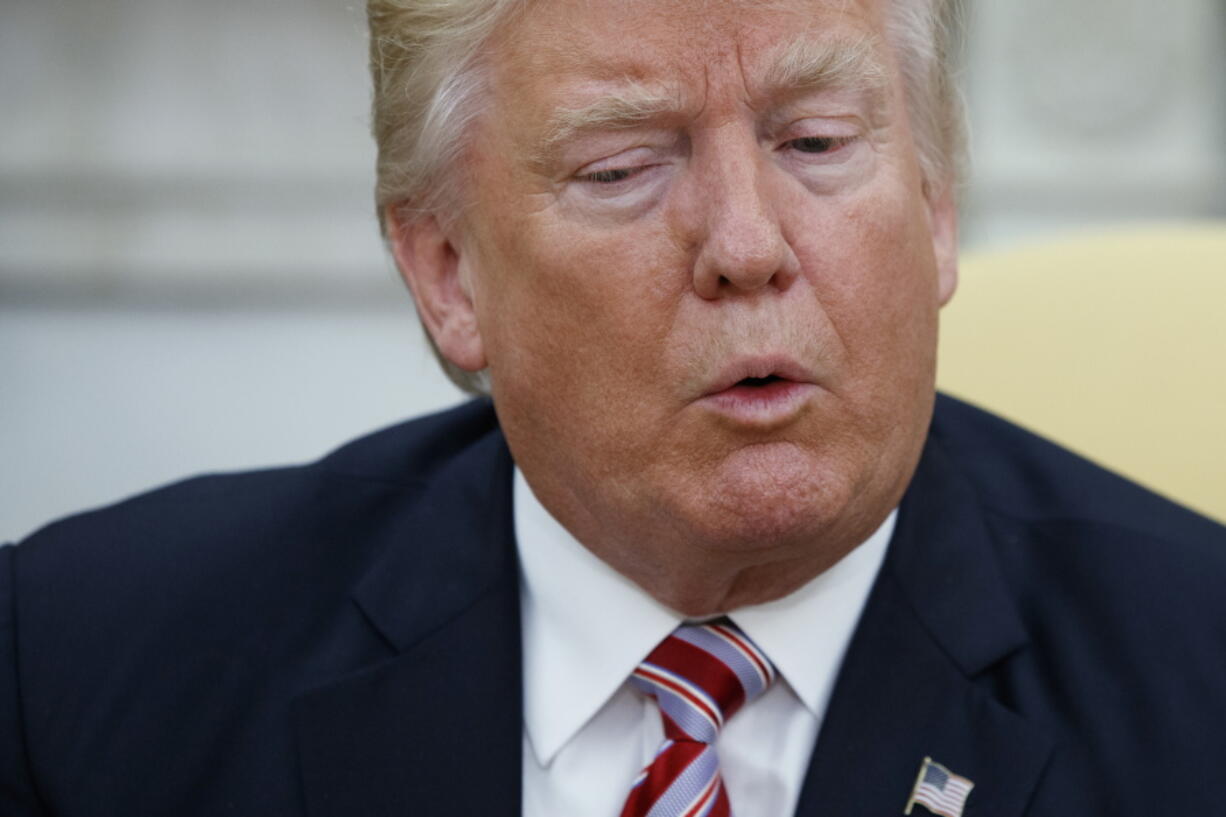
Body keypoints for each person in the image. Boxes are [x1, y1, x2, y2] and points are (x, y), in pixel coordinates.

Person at [3, 0, 1224, 814]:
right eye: (622, 168)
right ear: (446, 272)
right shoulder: (82, 666)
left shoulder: (1194, 685)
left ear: (934, 205)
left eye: (812, 141)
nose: (747, 247)